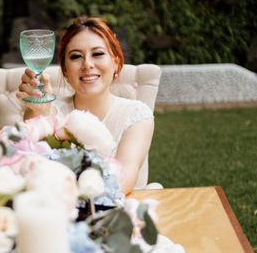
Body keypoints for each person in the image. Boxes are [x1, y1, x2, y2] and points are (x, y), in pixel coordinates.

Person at [17, 16, 154, 194]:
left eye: (97, 54)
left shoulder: (136, 115)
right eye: (76, 57)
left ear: (116, 62)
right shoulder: (50, 112)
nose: (87, 64)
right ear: (65, 71)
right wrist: (38, 113)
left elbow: (123, 180)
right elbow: (32, 174)